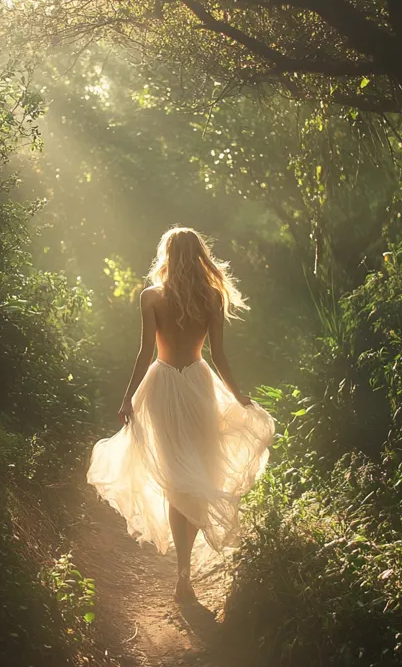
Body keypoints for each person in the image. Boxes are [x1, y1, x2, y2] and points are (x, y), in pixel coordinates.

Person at [87, 226, 274, 602]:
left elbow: (145, 353)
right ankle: (185, 573)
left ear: (167, 255)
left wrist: (128, 398)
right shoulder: (212, 297)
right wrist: (238, 395)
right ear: (200, 256)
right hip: (198, 385)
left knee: (177, 481)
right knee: (196, 475)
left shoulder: (151, 297)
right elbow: (218, 356)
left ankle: (183, 573)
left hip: (162, 387)